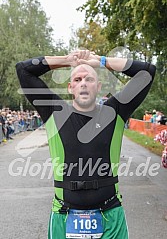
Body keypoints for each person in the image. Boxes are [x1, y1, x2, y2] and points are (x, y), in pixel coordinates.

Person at [16, 50, 156, 239]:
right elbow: (24, 70)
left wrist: (101, 61)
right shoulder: (54, 111)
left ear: (98, 87)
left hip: (110, 216)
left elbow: (147, 72)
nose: (83, 83)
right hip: (64, 216)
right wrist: (67, 60)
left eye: (89, 79)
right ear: (69, 87)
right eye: (77, 79)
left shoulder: (115, 111)